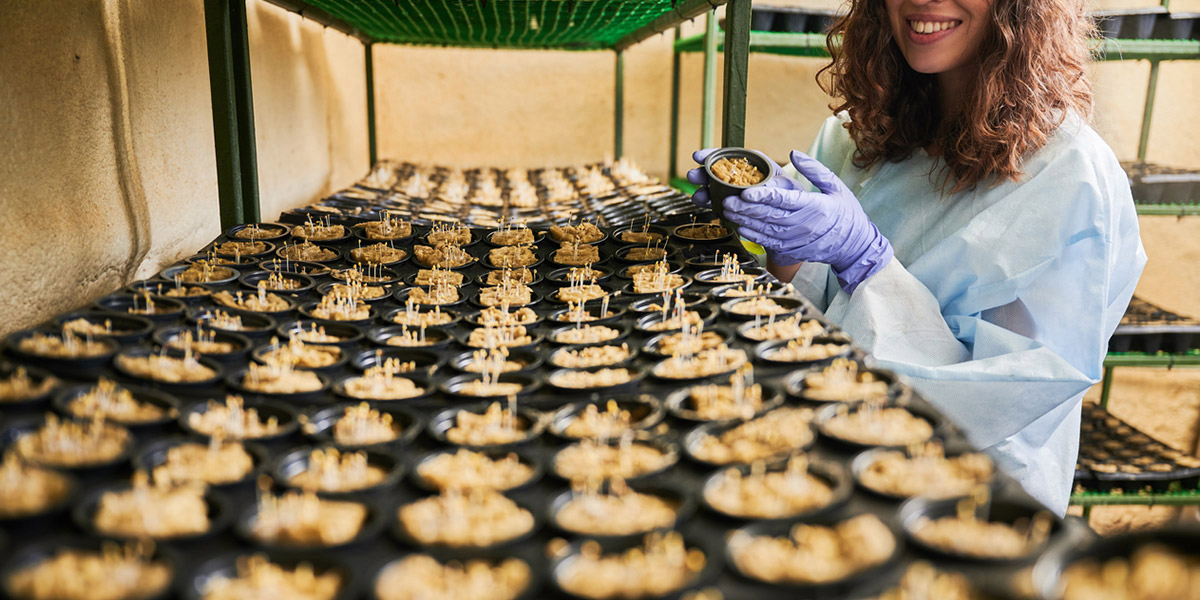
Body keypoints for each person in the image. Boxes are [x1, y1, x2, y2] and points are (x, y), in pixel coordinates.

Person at [688, 0, 1145, 515]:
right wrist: (783, 240)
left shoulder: (1069, 174)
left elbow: (1010, 397)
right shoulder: (856, 134)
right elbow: (801, 323)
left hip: (959, 499)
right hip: (823, 466)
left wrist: (867, 264)